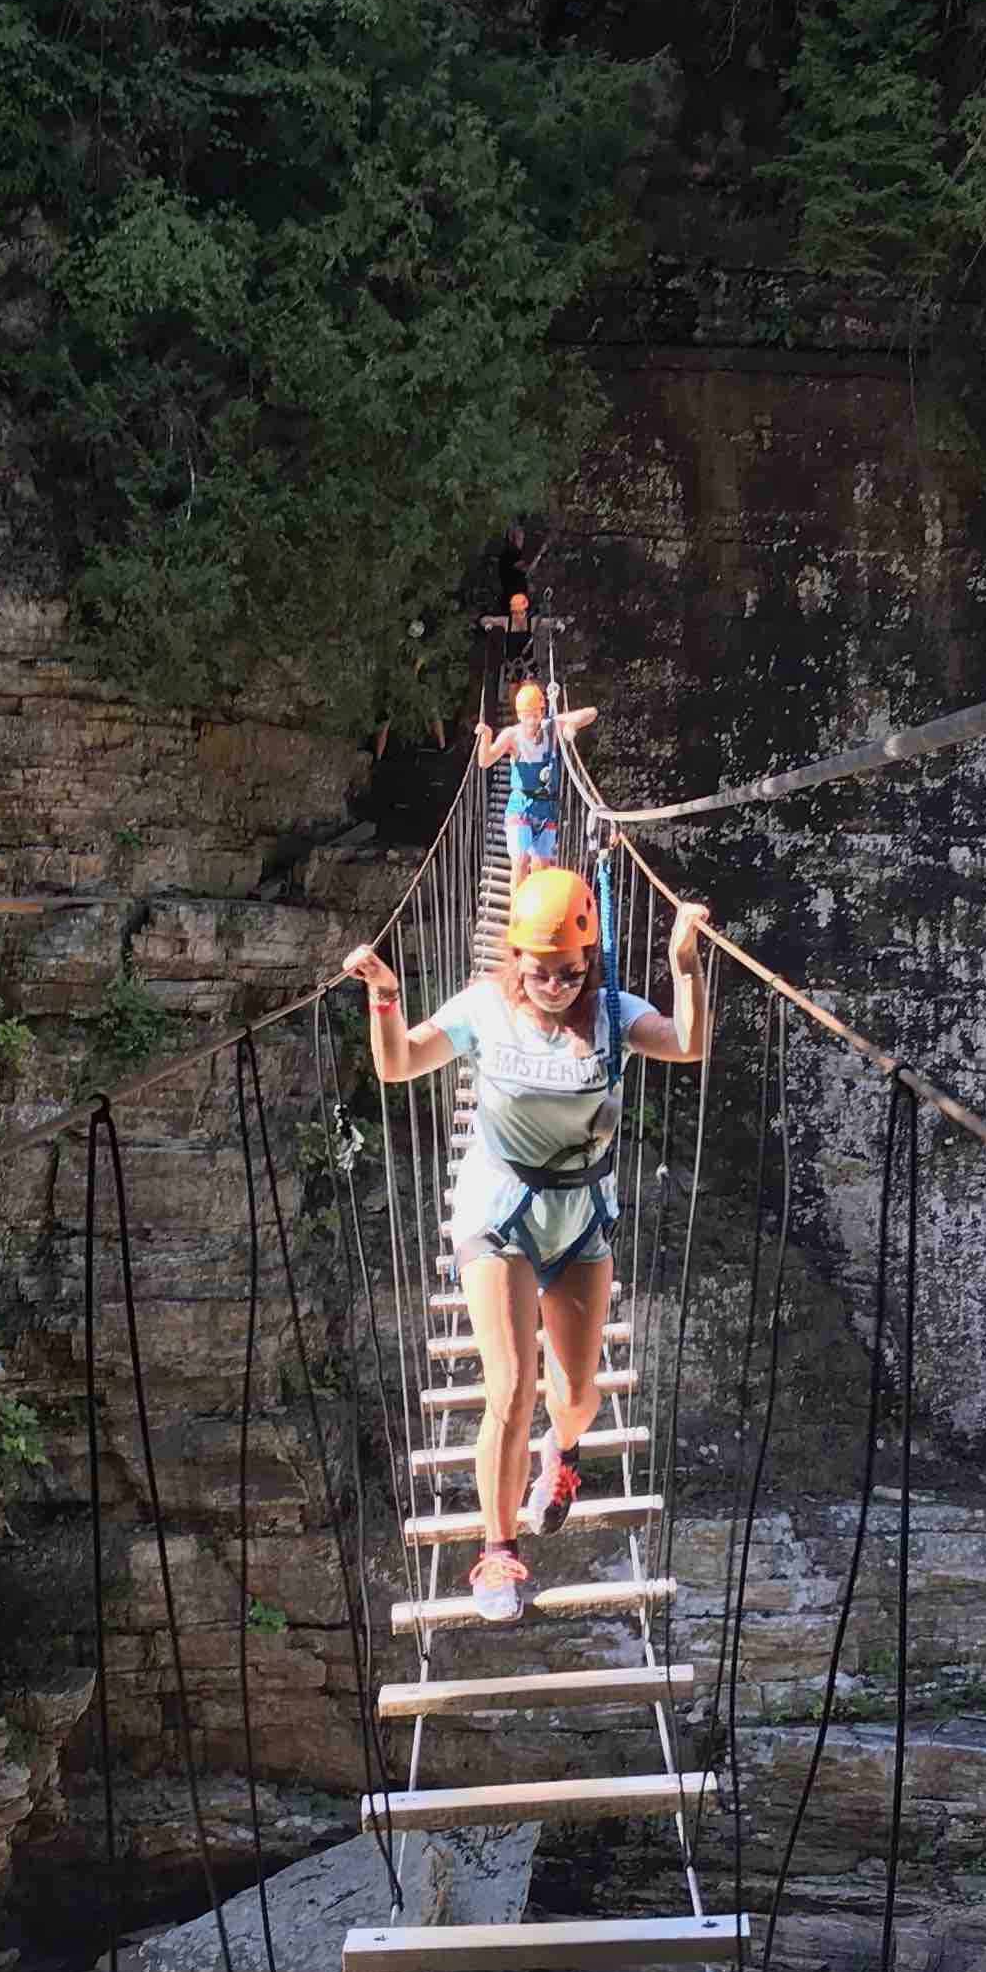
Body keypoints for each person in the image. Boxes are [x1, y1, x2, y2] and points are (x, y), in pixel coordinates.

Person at [341, 864, 710, 1625]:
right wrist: (384, 993)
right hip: (496, 1210)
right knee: (510, 1386)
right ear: (515, 959)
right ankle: (497, 1546)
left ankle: (563, 1455)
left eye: (570, 972)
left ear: (590, 964)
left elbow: (686, 1044)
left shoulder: (613, 1012)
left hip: (580, 1216)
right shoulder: (483, 1006)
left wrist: (685, 965)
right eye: (540, 972)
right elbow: (398, 1063)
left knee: (574, 1399)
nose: (554, 985)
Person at [475, 678, 593, 878]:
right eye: (529, 716)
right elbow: (485, 761)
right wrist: (486, 737)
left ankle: (534, 908)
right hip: (520, 806)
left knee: (540, 873)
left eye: (537, 714)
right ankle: (516, 910)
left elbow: (591, 713)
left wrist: (571, 725)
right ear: (520, 715)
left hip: (546, 808)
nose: (533, 721)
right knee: (520, 863)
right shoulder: (512, 736)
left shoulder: (551, 727)